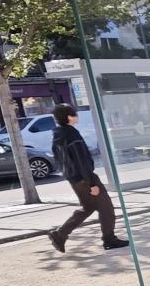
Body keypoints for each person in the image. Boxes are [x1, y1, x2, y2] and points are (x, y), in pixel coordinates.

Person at [46, 106, 127, 252]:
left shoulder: (58, 134)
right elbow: (80, 159)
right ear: (69, 117)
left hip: (74, 179)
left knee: (88, 208)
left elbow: (61, 161)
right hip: (85, 178)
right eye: (75, 114)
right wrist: (92, 183)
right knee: (106, 208)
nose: (77, 117)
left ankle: (60, 234)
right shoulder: (71, 134)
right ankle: (109, 239)